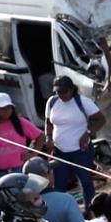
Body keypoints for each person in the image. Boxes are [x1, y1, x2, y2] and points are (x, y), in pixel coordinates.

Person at [44, 75, 103, 205]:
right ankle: (61, 211)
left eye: (64, 92)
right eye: (58, 92)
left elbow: (100, 119)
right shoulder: (52, 102)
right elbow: (48, 123)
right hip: (59, 151)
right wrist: (48, 137)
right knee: (59, 184)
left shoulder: (83, 102)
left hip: (80, 151)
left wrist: (88, 133)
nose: (61, 95)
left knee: (86, 182)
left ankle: (90, 211)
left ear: (71, 90)